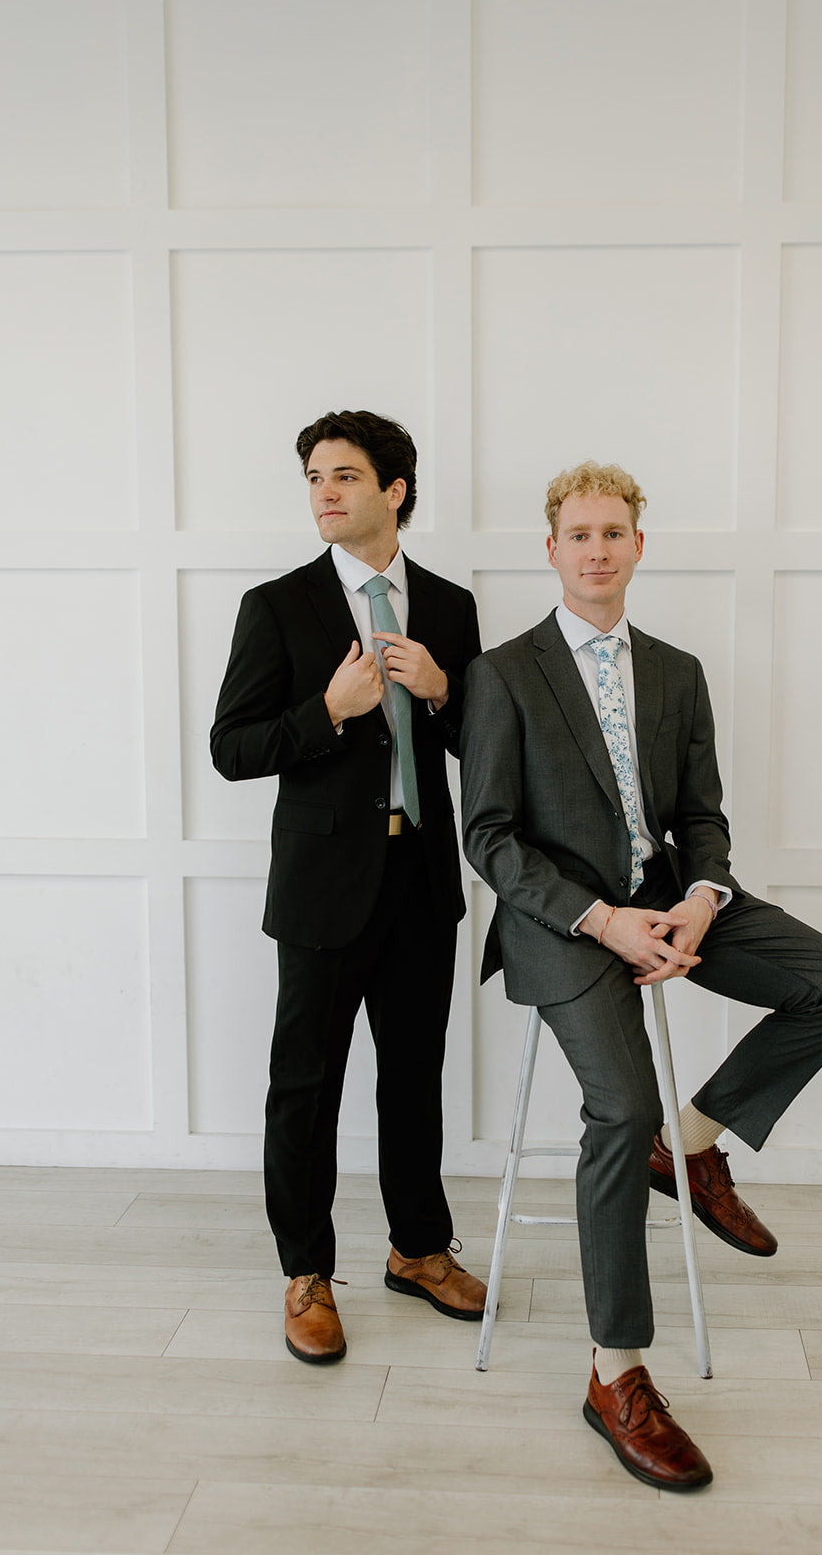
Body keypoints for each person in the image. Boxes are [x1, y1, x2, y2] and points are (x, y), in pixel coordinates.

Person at [461, 461, 822, 1490]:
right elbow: (489, 836)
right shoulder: (503, 674)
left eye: (613, 532)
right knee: (617, 1106)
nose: (596, 549)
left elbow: (701, 815)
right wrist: (601, 919)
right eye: (578, 534)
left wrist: (700, 895)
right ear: (550, 550)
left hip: (669, 899)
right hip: (565, 923)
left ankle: (685, 1147)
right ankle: (615, 1373)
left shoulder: (677, 671)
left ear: (638, 546)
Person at [211, 409, 487, 1364]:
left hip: (421, 879)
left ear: (394, 491)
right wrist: (328, 711)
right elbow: (232, 747)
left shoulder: (447, 604)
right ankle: (306, 1274)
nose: (324, 493)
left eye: (344, 477)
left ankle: (418, 1250)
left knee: (413, 1078)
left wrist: (445, 691)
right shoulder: (277, 605)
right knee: (306, 1085)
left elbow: (482, 747)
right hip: (323, 886)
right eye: (314, 478)